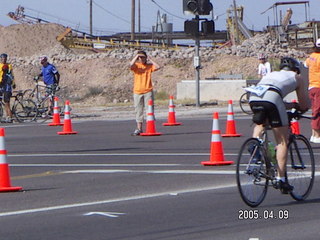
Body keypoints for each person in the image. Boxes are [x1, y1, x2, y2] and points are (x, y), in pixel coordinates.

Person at [248, 57, 310, 194]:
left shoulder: (271, 74)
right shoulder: (297, 77)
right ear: (296, 69)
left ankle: (255, 144)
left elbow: (274, 98)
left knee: (261, 123)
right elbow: (304, 104)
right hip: (273, 98)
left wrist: (291, 105)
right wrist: (300, 108)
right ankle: (281, 179)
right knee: (282, 141)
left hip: (253, 97)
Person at [130, 50, 161, 136]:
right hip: (137, 91)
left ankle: (150, 127)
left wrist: (150, 59)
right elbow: (130, 65)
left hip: (148, 90)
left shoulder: (149, 66)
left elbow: (158, 67)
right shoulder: (136, 66)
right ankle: (139, 128)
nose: (141, 59)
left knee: (149, 109)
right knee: (138, 110)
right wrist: (136, 57)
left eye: (143, 57)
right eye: (140, 57)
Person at [304, 39, 320, 143]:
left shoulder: (311, 56)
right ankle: (317, 135)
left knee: (315, 110)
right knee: (318, 111)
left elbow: (305, 65)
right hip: (319, 86)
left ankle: (314, 134)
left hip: (312, 86)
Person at [0, 53, 16, 123]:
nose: (4, 60)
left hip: (7, 85)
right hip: (1, 84)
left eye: (5, 58)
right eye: (2, 58)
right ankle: (5, 115)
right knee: (2, 101)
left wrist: (13, 83)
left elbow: (11, 75)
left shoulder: (9, 66)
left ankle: (10, 116)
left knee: (7, 102)